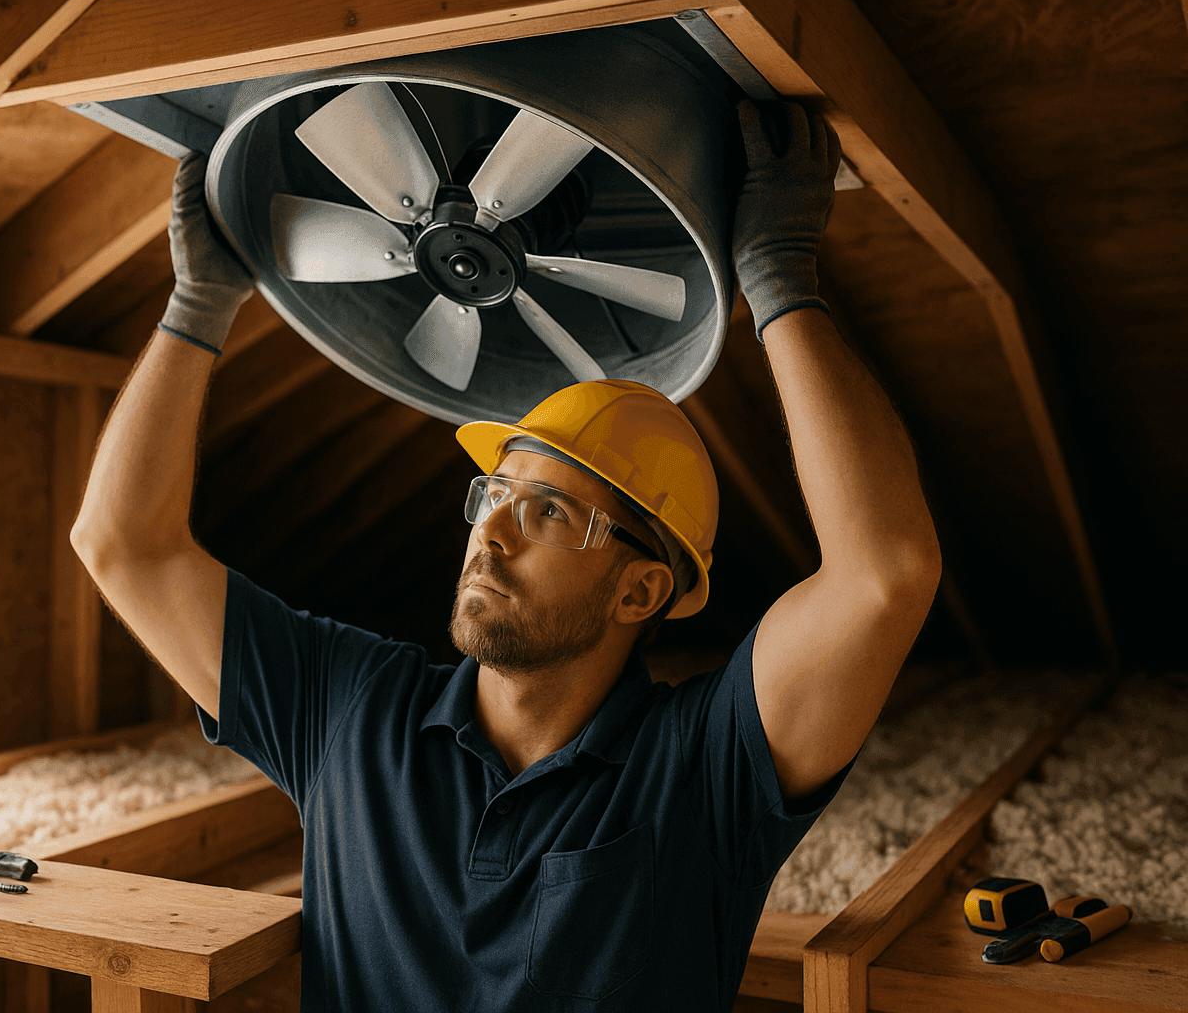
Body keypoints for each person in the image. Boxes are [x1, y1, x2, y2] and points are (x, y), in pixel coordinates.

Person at [70, 100, 941, 1011]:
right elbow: (123, 546)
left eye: (550, 510)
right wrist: (196, 307)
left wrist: (780, 282)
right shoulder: (350, 714)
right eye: (494, 495)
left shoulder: (700, 770)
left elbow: (885, 575)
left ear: (641, 589)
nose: (491, 530)